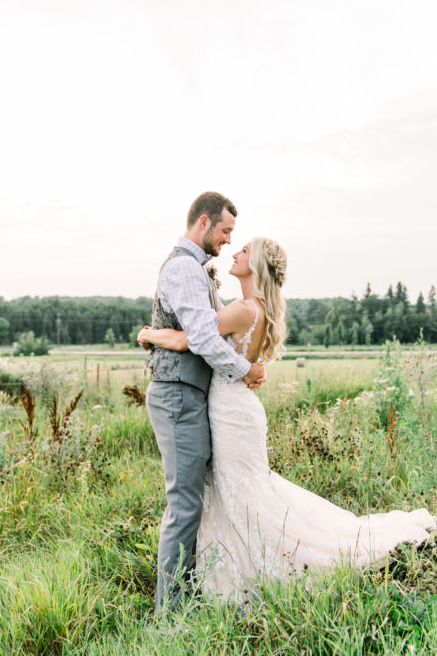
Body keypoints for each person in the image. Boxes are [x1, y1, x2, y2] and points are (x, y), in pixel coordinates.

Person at [139, 237, 437, 603]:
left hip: (231, 411)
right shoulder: (258, 308)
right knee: (243, 490)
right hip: (238, 408)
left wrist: (150, 333)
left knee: (244, 494)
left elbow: (192, 338)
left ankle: (268, 565)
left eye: (245, 251)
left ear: (257, 265)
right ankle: (235, 565)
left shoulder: (243, 309)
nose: (235, 252)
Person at [144, 191, 267, 613]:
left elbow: (202, 335)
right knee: (184, 503)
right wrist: (243, 369)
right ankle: (169, 613)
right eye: (226, 231)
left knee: (195, 498)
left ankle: (195, 592)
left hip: (193, 394)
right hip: (176, 393)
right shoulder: (182, 268)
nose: (229, 240)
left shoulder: (198, 269)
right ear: (203, 224)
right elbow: (201, 338)